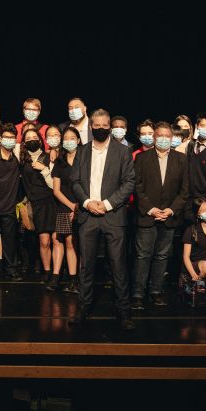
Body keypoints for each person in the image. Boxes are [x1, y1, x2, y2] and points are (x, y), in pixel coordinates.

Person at [68, 109, 136, 331]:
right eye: (95, 125)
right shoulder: (82, 151)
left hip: (113, 216)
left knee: (118, 265)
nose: (99, 128)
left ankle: (123, 311)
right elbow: (75, 181)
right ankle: (83, 307)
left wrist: (106, 204)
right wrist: (87, 203)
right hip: (88, 216)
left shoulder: (122, 152)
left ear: (110, 126)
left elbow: (128, 183)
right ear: (91, 127)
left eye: (104, 125)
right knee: (86, 265)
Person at [133, 122, 190, 310]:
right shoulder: (141, 158)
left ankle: (156, 291)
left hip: (169, 217)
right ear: (154, 138)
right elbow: (137, 187)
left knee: (162, 256)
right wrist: (150, 209)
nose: (164, 139)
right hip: (147, 216)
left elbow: (184, 190)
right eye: (160, 136)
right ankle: (138, 294)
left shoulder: (181, 159)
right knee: (143, 255)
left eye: (168, 136)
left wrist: (171, 210)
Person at [19, 124, 58, 289]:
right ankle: (47, 272)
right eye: (28, 139)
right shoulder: (23, 159)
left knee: (57, 241)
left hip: (53, 202)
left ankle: (55, 275)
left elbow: (54, 185)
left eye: (35, 138)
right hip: (37, 205)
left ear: (41, 141)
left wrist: (44, 170)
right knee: (44, 241)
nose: (32, 141)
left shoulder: (49, 157)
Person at [0, 124, 23, 283]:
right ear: (0, 139)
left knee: (10, 241)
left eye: (12, 138)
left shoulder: (17, 158)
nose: (9, 140)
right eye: (6, 137)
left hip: (9, 207)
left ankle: (10, 269)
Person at [51, 127, 81, 293]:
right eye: (66, 138)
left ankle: (76, 280)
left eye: (72, 138)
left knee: (77, 243)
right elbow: (56, 190)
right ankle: (64, 279)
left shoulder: (84, 161)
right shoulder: (60, 163)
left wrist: (78, 207)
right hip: (65, 207)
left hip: (82, 206)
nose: (69, 141)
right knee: (66, 241)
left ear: (78, 140)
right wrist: (71, 207)